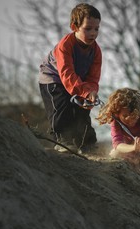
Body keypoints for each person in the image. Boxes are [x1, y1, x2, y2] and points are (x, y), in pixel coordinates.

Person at [38, 3, 102, 154]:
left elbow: (93, 78)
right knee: (62, 108)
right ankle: (63, 142)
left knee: (82, 110)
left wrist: (91, 94)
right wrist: (85, 91)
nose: (93, 33)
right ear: (74, 27)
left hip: (78, 83)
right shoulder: (65, 45)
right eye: (88, 28)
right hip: (53, 79)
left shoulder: (96, 51)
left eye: (96, 29)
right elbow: (66, 74)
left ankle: (87, 144)